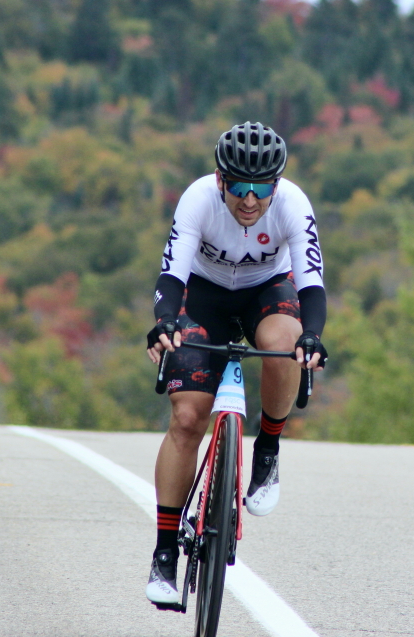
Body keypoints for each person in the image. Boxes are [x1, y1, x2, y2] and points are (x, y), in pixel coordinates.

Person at [144, 121, 328, 605]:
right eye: (239, 186)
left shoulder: (292, 204)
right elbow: (172, 274)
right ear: (221, 179)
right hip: (202, 296)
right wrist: (165, 322)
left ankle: (266, 451)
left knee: (287, 341)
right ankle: (164, 553)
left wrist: (312, 336)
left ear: (277, 184)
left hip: (265, 291)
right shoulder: (198, 199)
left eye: (261, 187)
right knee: (186, 418)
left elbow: (310, 285)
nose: (250, 199)